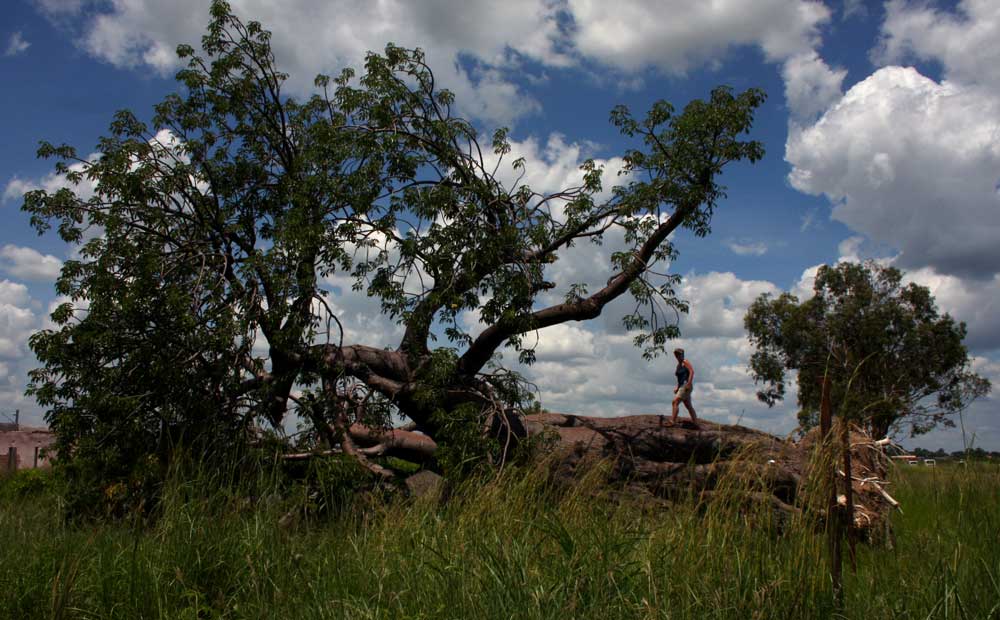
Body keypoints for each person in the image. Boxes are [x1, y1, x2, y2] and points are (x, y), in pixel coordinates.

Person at [671, 348, 699, 427]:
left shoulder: (685, 362)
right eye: (676, 354)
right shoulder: (678, 366)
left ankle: (672, 421)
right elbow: (679, 378)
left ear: (682, 354)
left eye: (679, 354)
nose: (678, 356)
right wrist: (677, 387)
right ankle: (696, 423)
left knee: (675, 402)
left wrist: (689, 383)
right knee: (688, 405)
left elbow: (691, 371)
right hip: (682, 386)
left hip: (686, 385)